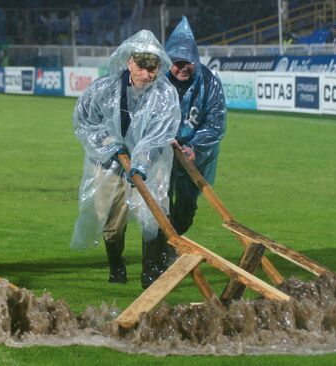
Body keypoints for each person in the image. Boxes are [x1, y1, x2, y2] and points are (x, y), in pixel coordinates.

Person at [70, 29, 181, 289]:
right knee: (111, 219)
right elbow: (85, 121)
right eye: (141, 67)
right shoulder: (104, 89)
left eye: (152, 68)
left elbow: (160, 132)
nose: (146, 75)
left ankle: (150, 272)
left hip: (150, 164)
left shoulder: (164, 95)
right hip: (107, 163)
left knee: (152, 215)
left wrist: (140, 161)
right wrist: (109, 146)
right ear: (129, 62)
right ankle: (116, 266)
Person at [159, 16, 227, 265]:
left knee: (186, 208)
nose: (182, 67)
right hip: (162, 152)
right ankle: (160, 251)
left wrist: (195, 147)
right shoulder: (157, 82)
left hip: (194, 156)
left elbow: (215, 123)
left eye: (187, 62)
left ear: (196, 61)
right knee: (160, 202)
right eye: (177, 62)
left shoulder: (209, 82)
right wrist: (162, 140)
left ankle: (172, 240)